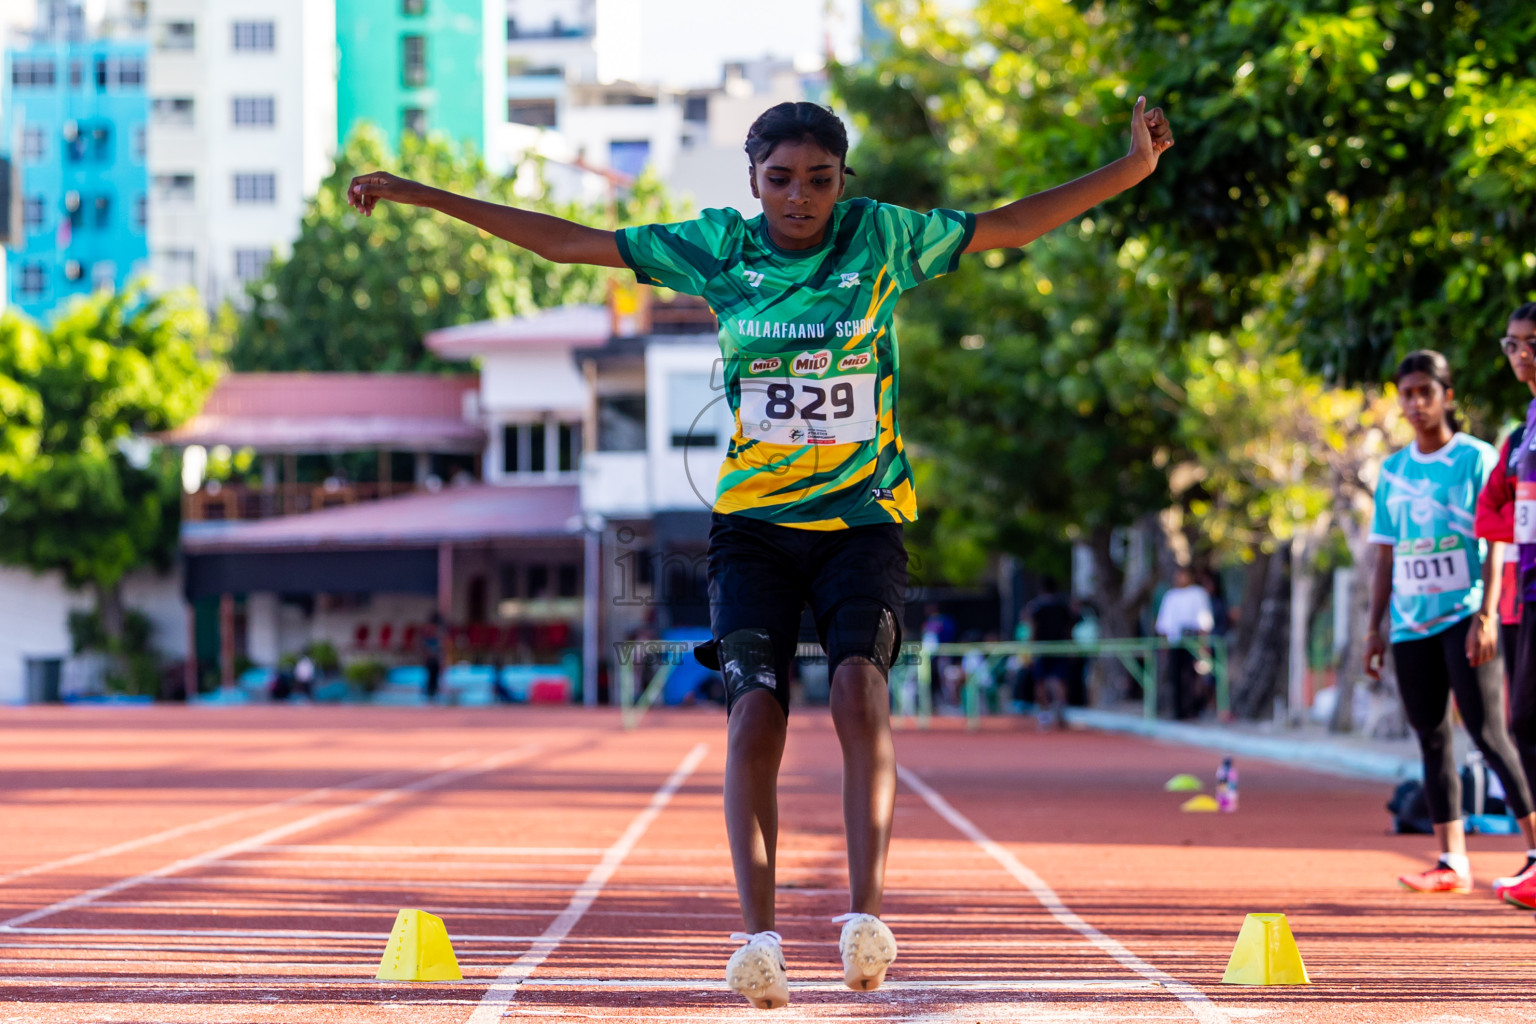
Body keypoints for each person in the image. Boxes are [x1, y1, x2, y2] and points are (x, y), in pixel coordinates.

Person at [346, 95, 1173, 1008]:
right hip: (752, 530)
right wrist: (422, 193)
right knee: (756, 713)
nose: (800, 198)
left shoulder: (883, 240)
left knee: (860, 687)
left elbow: (1011, 225)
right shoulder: (718, 250)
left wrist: (1130, 169)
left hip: (862, 519)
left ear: (843, 183)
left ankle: (866, 920)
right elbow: (565, 243)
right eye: (780, 180)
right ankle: (758, 939)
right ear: (752, 182)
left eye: (819, 180)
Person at [1363, 349, 1536, 894]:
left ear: (1447, 396)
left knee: (1490, 734)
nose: (1415, 404)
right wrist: (1375, 628)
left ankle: (1535, 848)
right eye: (1407, 394)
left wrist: (1486, 611)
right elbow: (1386, 553)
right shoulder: (1392, 471)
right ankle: (1451, 860)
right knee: (1431, 738)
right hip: (1410, 623)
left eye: (1425, 392)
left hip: (1464, 615)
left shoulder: (1477, 458)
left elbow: (1494, 535)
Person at [1474, 304, 1536, 907]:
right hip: (1524, 595)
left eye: (1531, 342)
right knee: (1522, 723)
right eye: (1512, 342)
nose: (1520, 353)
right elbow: (1489, 511)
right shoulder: (1523, 432)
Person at [1154, 566, 1214, 719]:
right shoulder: (1171, 595)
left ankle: (1191, 710)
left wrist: (1202, 644)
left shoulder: (1198, 594)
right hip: (1175, 642)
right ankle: (1178, 711)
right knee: (1176, 676)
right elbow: (1164, 624)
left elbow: (1204, 622)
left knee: (1192, 677)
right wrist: (1165, 645)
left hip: (1192, 641)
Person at [1023, 576, 1079, 729]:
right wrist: (1071, 647)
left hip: (1042, 647)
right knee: (1059, 680)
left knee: (1040, 681)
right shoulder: (1063, 606)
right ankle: (1060, 709)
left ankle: (1044, 713)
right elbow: (1069, 630)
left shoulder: (1036, 606)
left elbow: (1032, 629)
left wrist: (1029, 651)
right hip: (1059, 646)